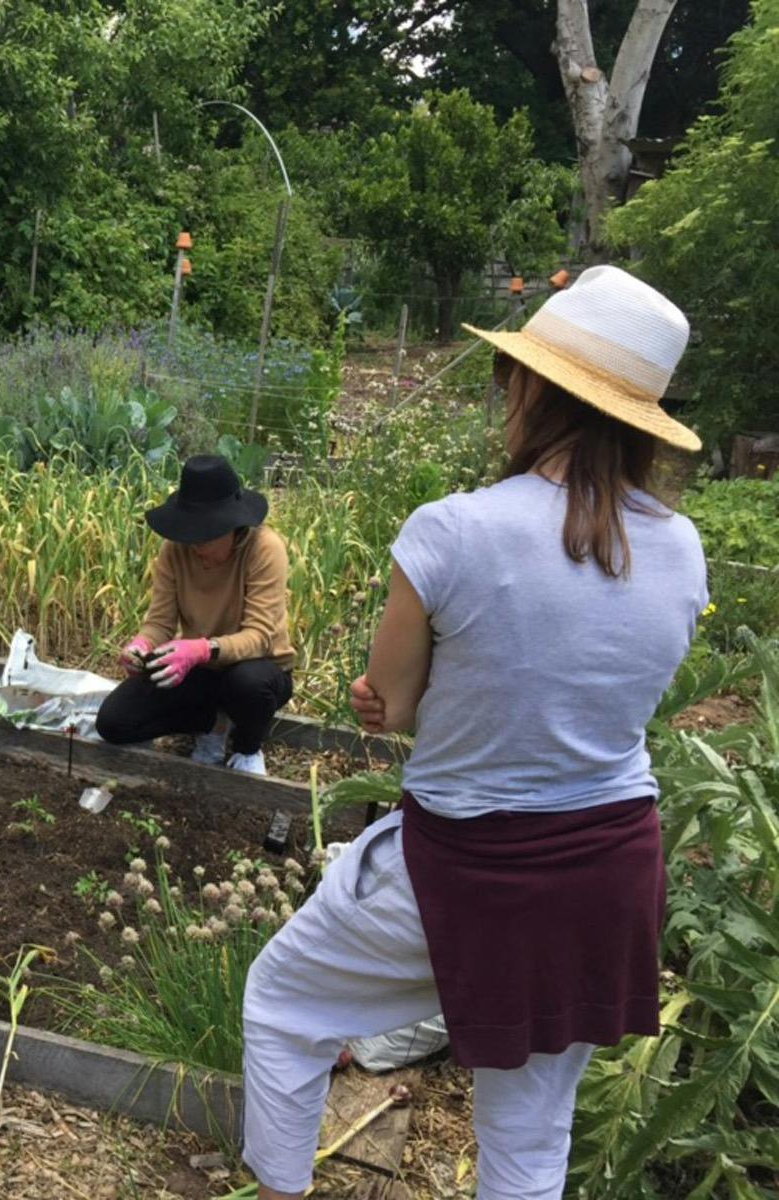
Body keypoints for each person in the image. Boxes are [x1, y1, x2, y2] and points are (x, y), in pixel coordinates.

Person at [239, 266, 707, 1200]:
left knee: (285, 1004)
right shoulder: (683, 546)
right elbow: (593, 691)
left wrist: (390, 698)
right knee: (531, 1132)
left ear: (536, 390)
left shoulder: (454, 531)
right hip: (607, 872)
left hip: (469, 868)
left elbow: (397, 704)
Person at [95, 455, 294, 776]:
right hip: (200, 668)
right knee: (114, 723)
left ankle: (247, 745)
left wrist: (202, 648)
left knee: (248, 684)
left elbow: (260, 637)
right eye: (191, 534)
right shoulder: (176, 550)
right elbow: (160, 622)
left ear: (232, 526)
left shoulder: (264, 548)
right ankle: (214, 723)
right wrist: (142, 645)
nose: (195, 544)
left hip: (258, 668)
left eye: (205, 535)